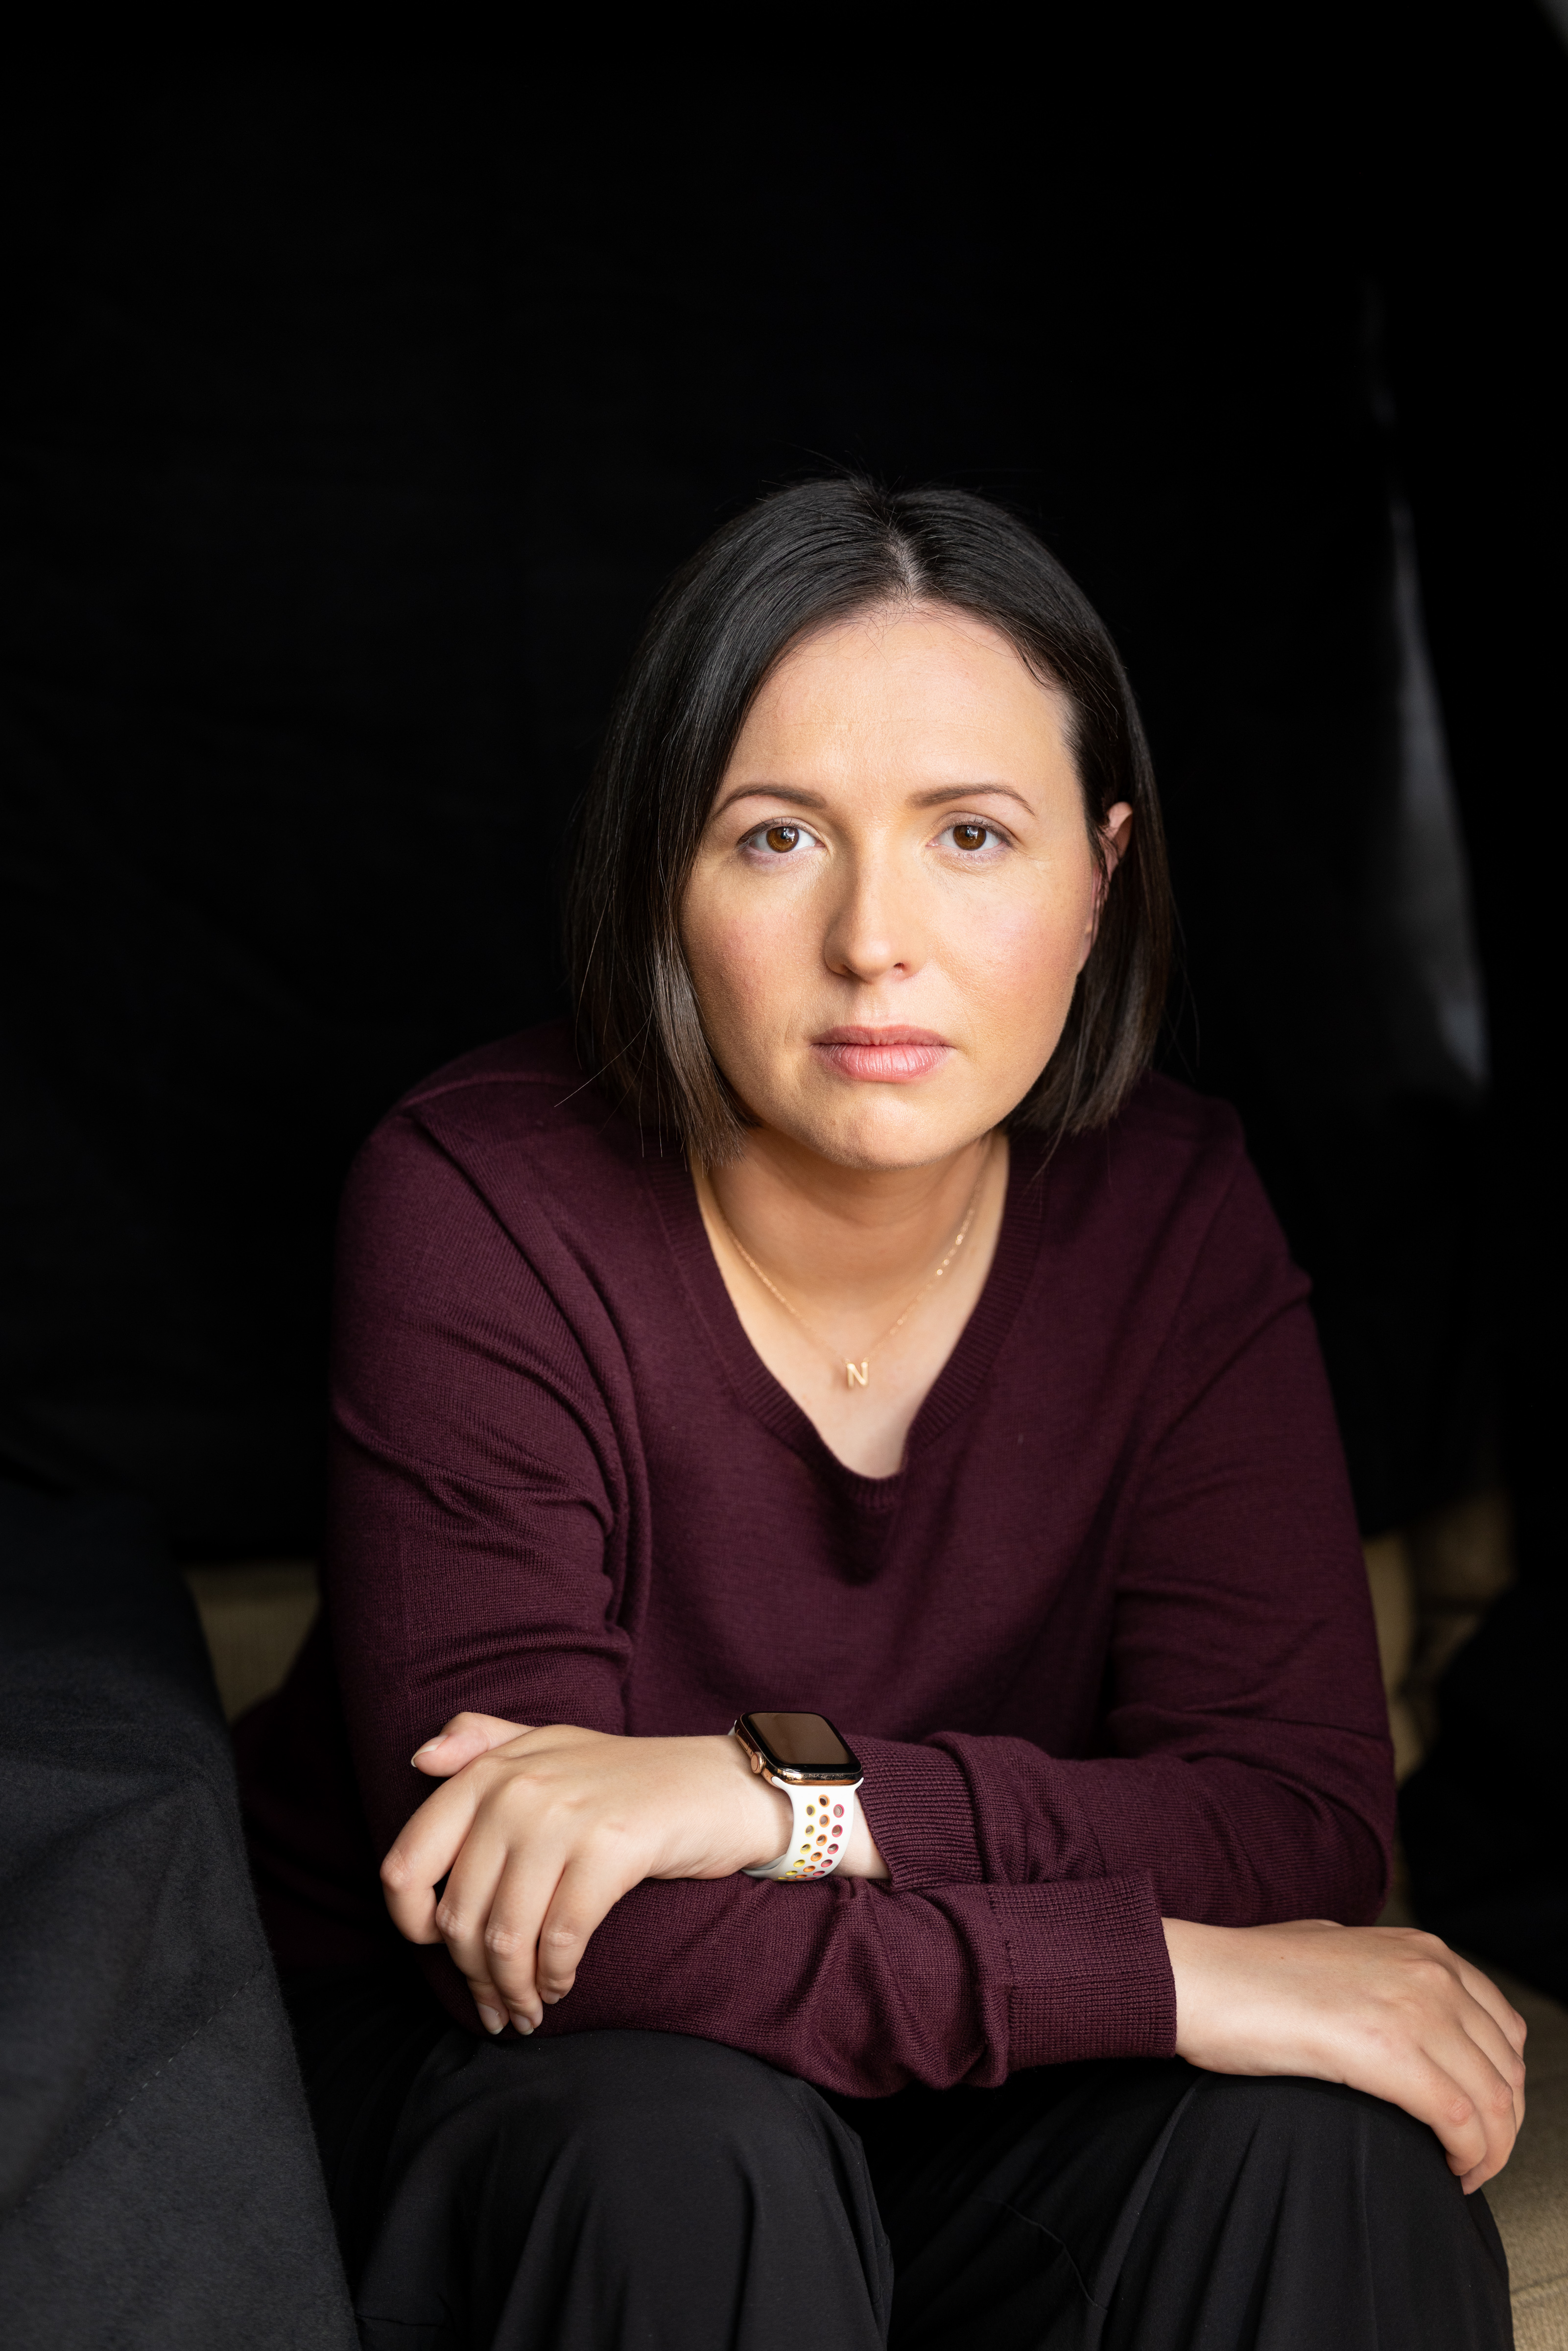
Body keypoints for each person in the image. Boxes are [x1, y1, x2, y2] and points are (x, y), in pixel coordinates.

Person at [240, 479, 1522, 2350]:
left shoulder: (1171, 1208)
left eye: (971, 836)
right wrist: (1165, 1977)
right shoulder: (476, 1198)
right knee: (689, 2149)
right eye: (776, 837)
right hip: (538, 2103)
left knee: (1325, 2152)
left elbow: (1292, 1819)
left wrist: (772, 1802)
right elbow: (536, 1933)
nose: (873, 940)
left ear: (1100, 878)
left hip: (958, 2088)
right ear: (660, 877)